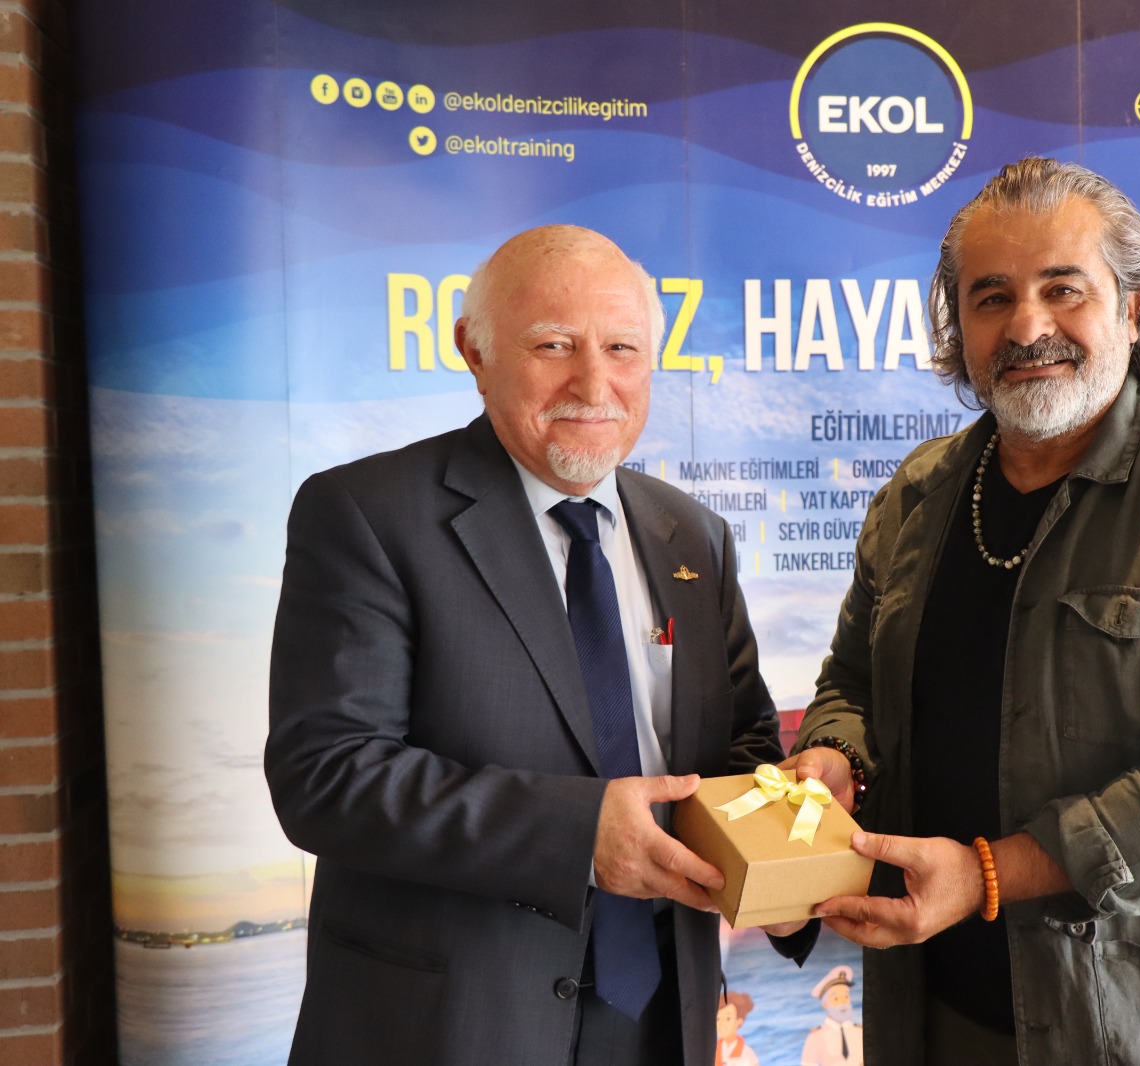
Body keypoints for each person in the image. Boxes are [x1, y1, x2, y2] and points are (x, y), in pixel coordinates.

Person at [787, 158, 1140, 1065]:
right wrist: (834, 756)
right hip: (935, 1019)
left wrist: (988, 875)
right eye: (991, 297)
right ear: (958, 326)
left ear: (1133, 309)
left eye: (1062, 289)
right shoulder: (916, 496)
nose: (1027, 325)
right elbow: (851, 681)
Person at [265, 225, 792, 1066]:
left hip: (667, 1017)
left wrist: (794, 857)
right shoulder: (366, 514)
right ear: (474, 352)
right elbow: (326, 776)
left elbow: (743, 748)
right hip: (453, 1027)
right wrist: (577, 833)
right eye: (553, 345)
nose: (594, 382)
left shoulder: (693, 534)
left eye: (622, 348)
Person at [799, 964, 865, 1066]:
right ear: (825, 1004)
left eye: (846, 997)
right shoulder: (816, 1037)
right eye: (836, 999)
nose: (843, 1003)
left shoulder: (861, 1032)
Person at [714, 990, 760, 1066]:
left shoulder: (747, 1053)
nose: (721, 1023)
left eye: (728, 1019)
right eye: (718, 1019)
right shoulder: (712, 1050)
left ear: (739, 1021)